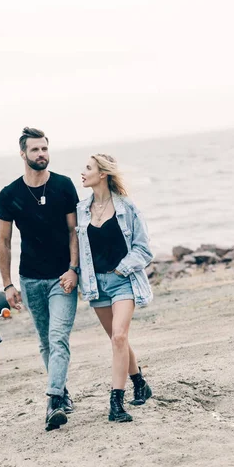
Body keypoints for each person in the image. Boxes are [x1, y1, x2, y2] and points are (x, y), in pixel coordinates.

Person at [0, 127, 80, 431]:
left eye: (44, 148)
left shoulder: (63, 186)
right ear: (23, 154)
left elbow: (75, 231)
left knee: (58, 337)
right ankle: (63, 393)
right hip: (30, 279)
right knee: (45, 342)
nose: (41, 154)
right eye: (35, 150)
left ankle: (53, 400)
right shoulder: (9, 195)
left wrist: (73, 268)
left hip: (63, 278)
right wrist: (7, 284)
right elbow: (3, 241)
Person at [75, 153, 153, 422]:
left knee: (119, 337)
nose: (82, 173)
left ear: (103, 174)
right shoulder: (81, 210)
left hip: (123, 281)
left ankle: (116, 403)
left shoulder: (127, 208)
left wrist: (122, 268)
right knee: (117, 339)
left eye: (88, 168)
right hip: (97, 286)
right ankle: (140, 382)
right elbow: (76, 249)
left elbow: (144, 249)